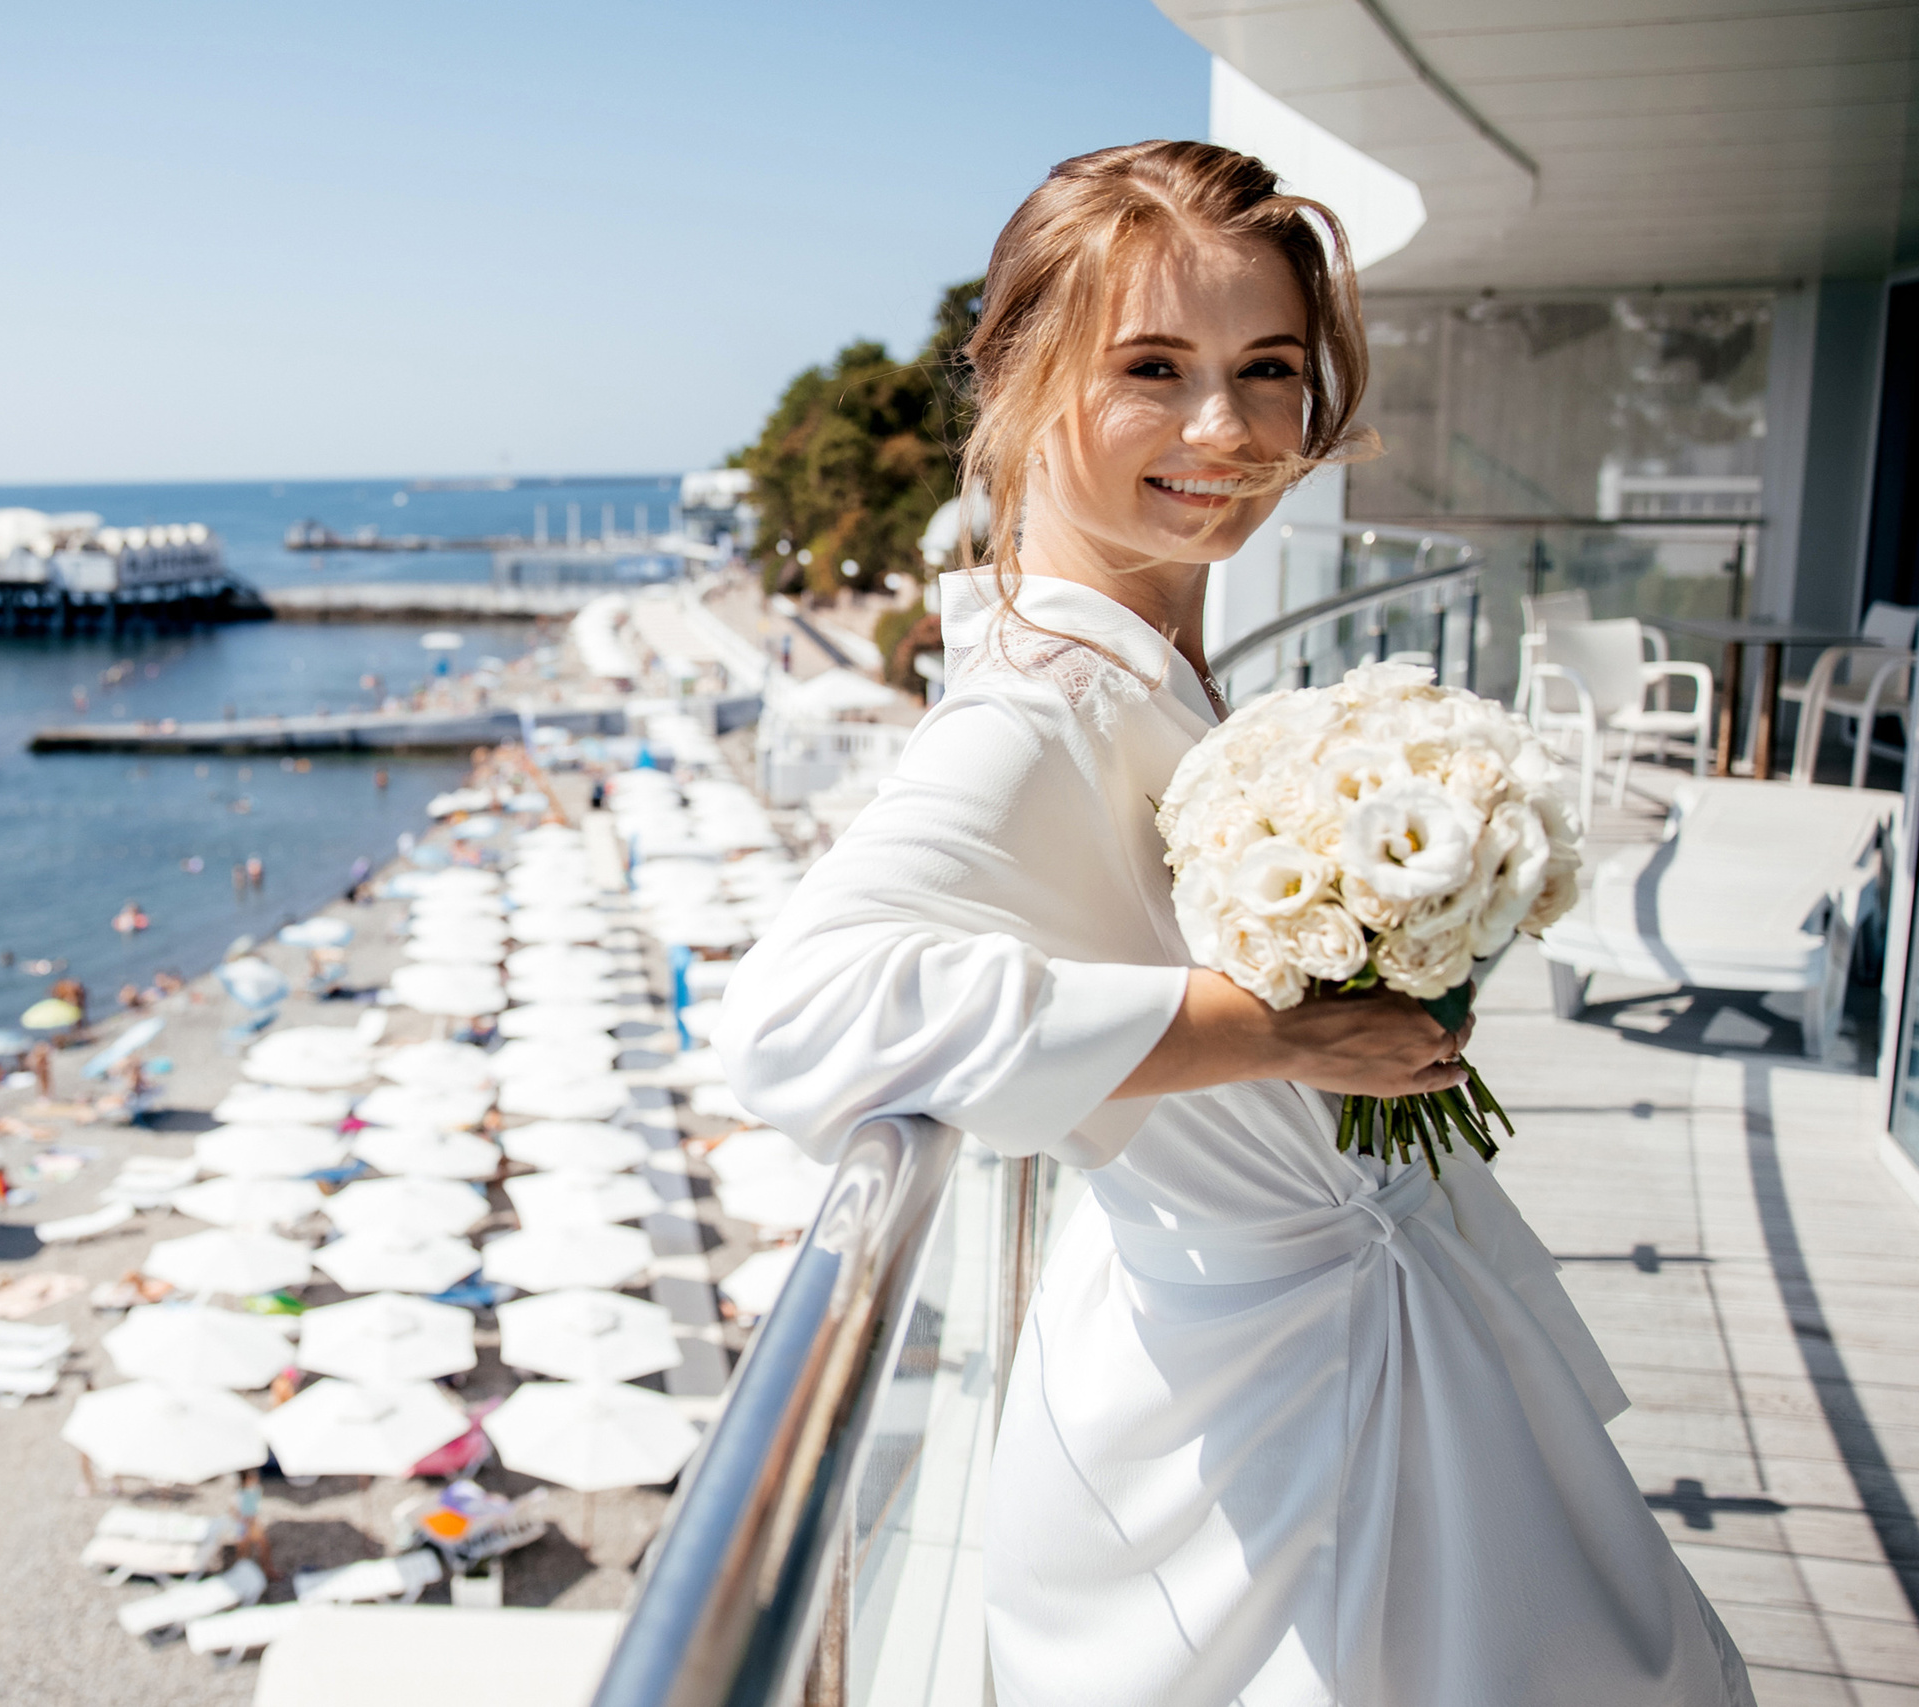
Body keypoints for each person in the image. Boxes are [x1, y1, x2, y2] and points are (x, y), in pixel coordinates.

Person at [712, 142, 1752, 1707]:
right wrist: (1281, 1029)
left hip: (1310, 1354)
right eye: (1153, 368)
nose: (1228, 428)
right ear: (1010, 374)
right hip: (1247, 1437)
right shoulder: (1032, 710)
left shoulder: (1152, 668)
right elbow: (795, 1018)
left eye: (1269, 367)